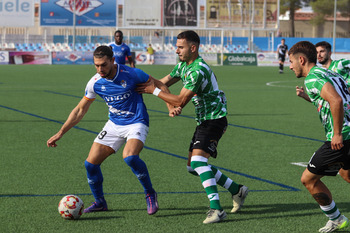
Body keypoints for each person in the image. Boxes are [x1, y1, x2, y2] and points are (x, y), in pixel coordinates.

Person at [137, 30, 248, 224]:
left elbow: (180, 98)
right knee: (192, 166)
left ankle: (216, 210)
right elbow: (163, 84)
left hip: (214, 119)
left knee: (198, 162)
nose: (176, 50)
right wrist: (141, 86)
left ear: (193, 48)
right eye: (177, 46)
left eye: (181, 47)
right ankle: (236, 190)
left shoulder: (198, 70)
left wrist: (157, 93)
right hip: (204, 120)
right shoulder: (183, 65)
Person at [46, 45, 173, 215]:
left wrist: (170, 106)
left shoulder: (132, 74)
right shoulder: (95, 82)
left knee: (130, 157)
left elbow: (160, 85)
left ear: (113, 61)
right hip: (113, 125)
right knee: (90, 164)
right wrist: (60, 132)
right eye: (96, 65)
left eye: (103, 65)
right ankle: (100, 202)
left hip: (136, 121)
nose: (100, 69)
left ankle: (150, 193)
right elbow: (79, 110)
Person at [290, 41, 350, 233]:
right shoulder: (329, 73)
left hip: (342, 137)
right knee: (346, 173)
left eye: (291, 61)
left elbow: (336, 100)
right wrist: (307, 97)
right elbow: (334, 99)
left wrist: (338, 134)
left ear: (301, 59)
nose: (290, 66)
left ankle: (336, 219)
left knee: (308, 180)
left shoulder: (312, 78)